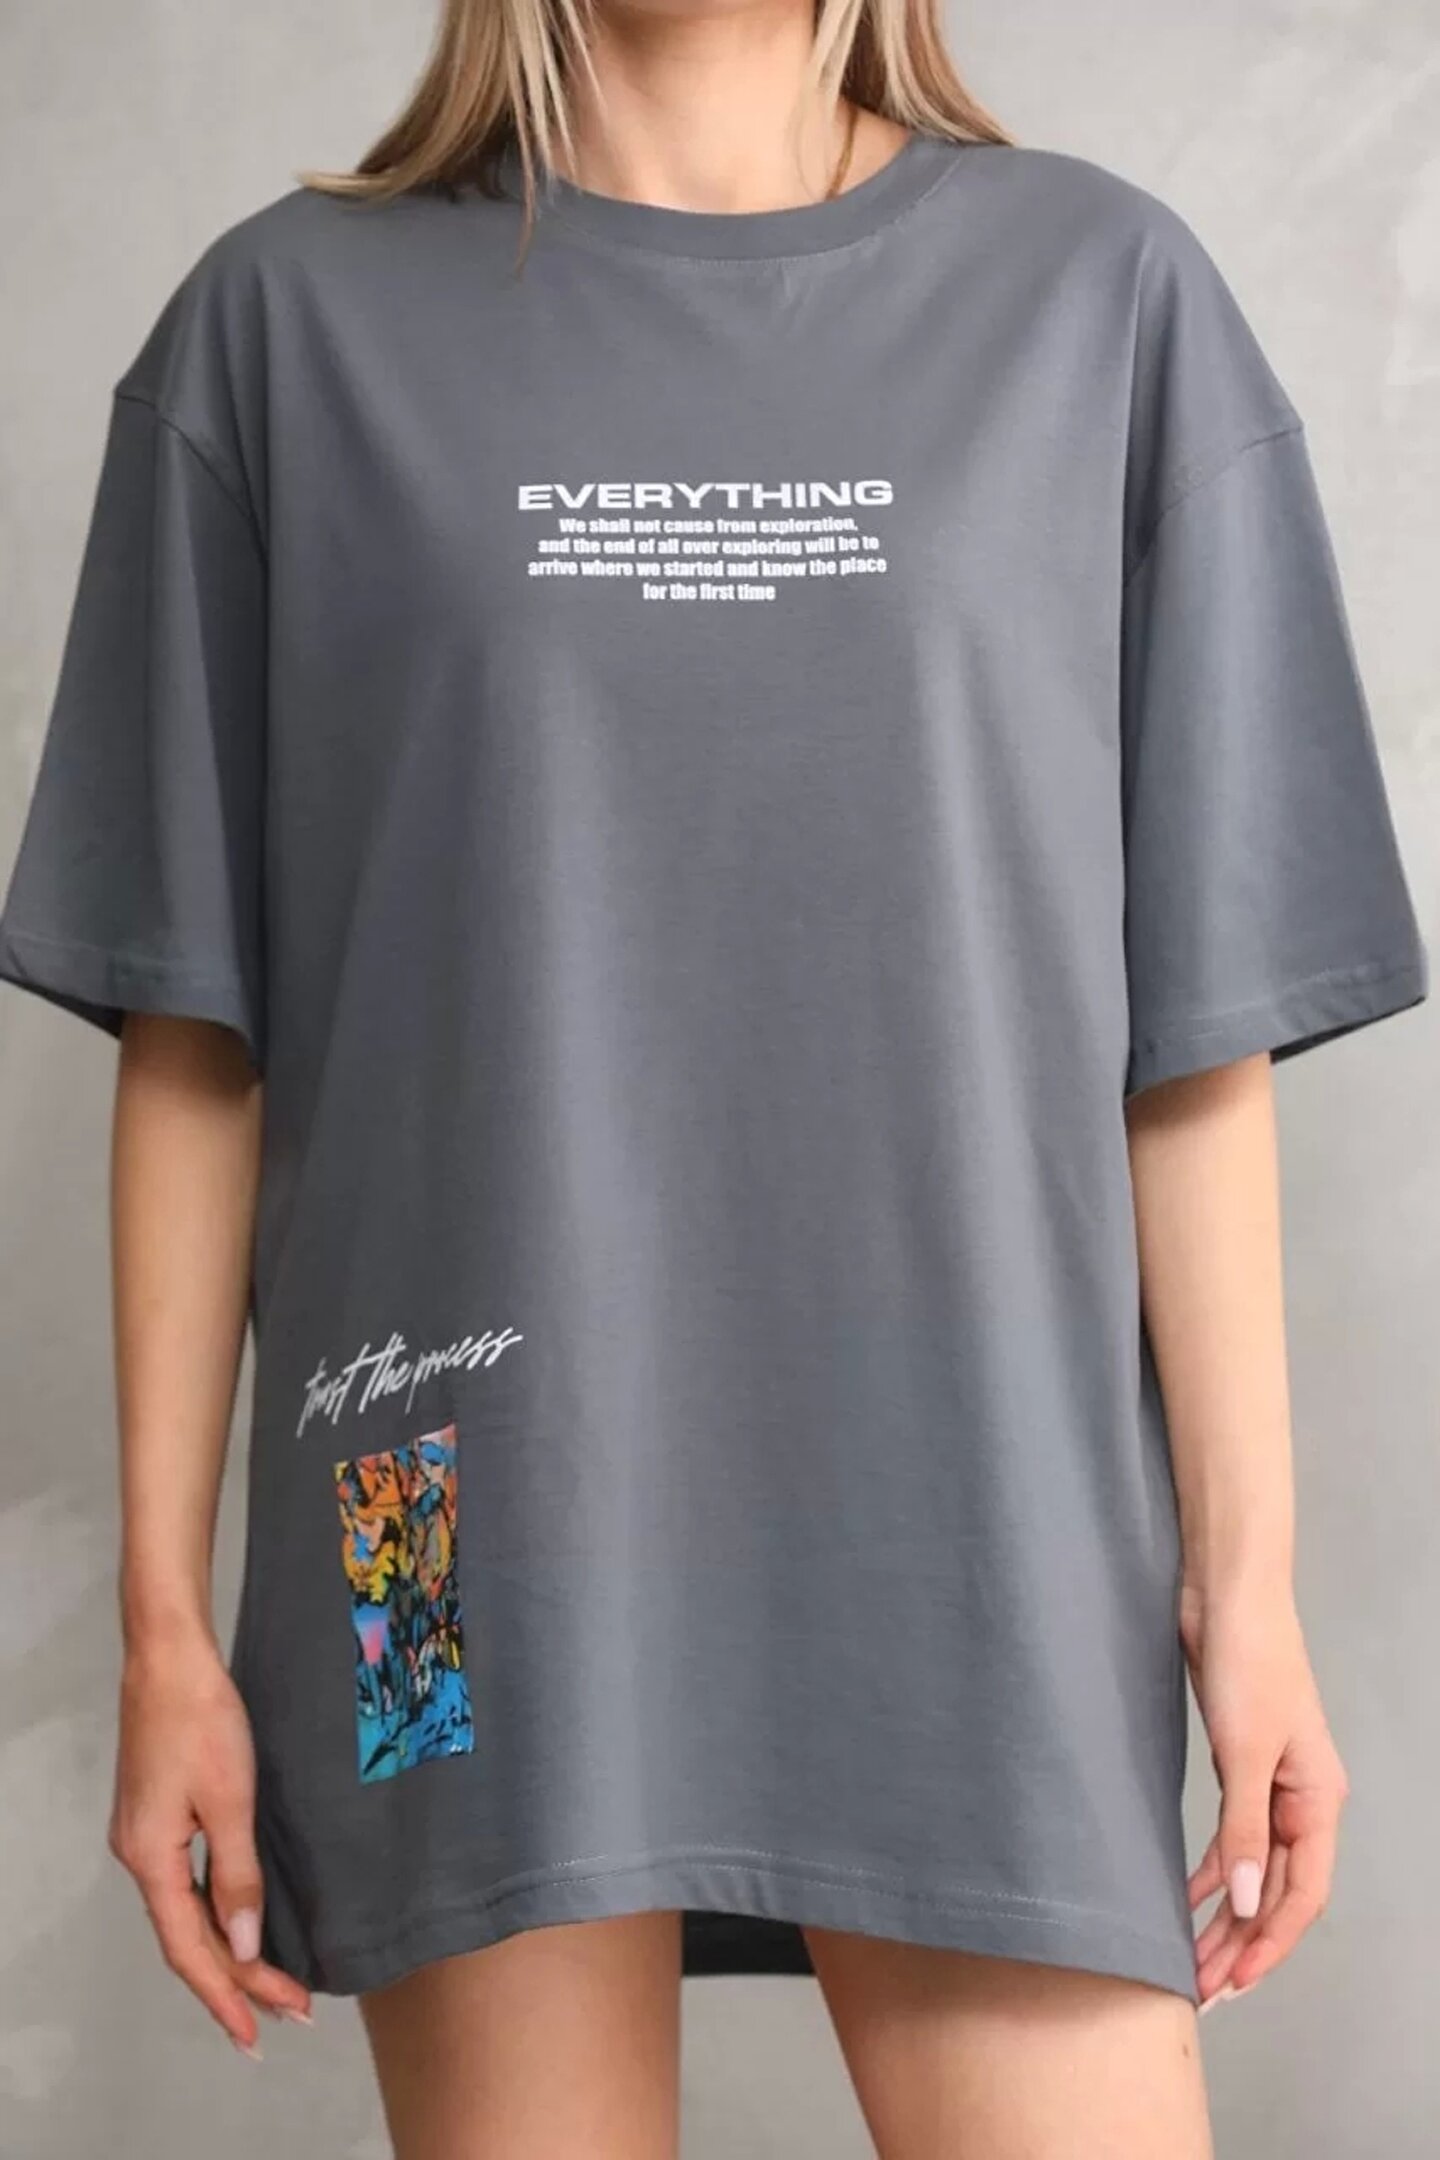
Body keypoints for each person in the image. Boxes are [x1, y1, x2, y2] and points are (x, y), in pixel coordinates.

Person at [0, 1, 1428, 2153]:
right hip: (428, 1511)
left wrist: (1250, 1591)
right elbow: (197, 1034)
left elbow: (1191, 1037)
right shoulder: (282, 331)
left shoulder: (1101, 301)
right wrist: (167, 1632)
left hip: (991, 1508)